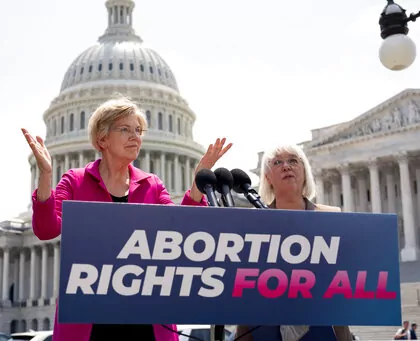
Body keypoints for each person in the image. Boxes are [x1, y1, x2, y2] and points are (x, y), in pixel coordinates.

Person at [22, 96, 232, 341]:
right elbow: (46, 229)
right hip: (90, 319)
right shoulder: (76, 182)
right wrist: (46, 175)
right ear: (102, 139)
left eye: (138, 130)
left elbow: (181, 231)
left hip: (147, 318)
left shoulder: (151, 185)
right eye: (125, 130)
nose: (136, 136)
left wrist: (198, 181)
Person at [235, 143, 353, 341]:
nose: (286, 166)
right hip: (264, 327)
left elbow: (342, 278)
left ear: (305, 171)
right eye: (277, 162)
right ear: (267, 177)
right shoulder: (252, 222)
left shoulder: (332, 217)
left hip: (320, 326)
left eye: (293, 161)